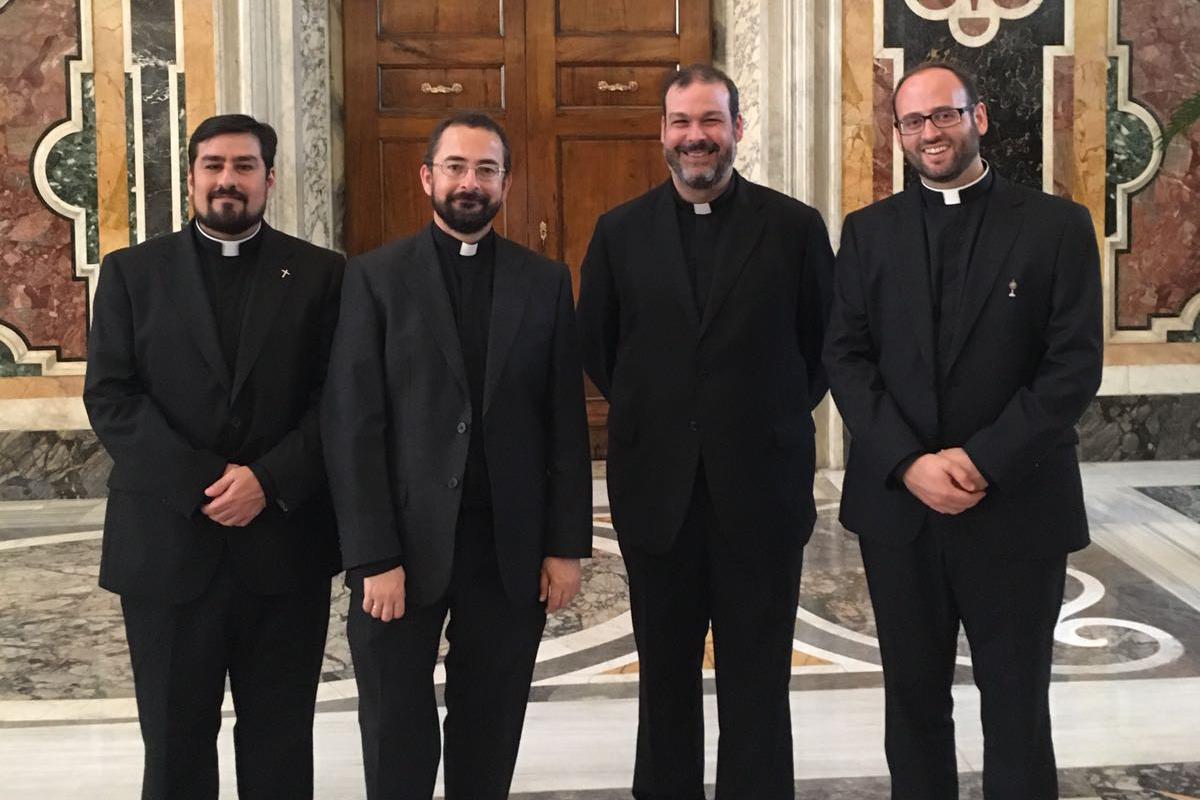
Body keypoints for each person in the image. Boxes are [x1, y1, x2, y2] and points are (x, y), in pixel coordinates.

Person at [823, 61, 1103, 799]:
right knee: (913, 706)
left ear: (978, 119)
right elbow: (846, 360)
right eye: (913, 121)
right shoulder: (868, 232)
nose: (929, 133)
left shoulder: (1055, 227)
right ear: (899, 135)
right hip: (901, 511)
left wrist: (980, 460)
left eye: (944, 115)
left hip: (1017, 508)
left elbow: (1072, 368)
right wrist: (911, 462)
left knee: (1017, 709)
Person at [576, 64, 834, 799]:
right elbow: (598, 345)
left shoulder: (793, 227)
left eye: (711, 121)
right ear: (661, 132)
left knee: (758, 676)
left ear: (737, 129)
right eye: (682, 123)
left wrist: (764, 415)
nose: (697, 137)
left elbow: (823, 344)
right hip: (658, 492)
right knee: (663, 677)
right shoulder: (620, 232)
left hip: (762, 489)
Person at [322, 111, 593, 800]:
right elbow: (353, 425)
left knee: (492, 717)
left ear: (505, 183)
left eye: (486, 169)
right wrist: (372, 556)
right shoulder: (376, 279)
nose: (470, 182)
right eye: (456, 167)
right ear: (427, 177)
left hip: (506, 547)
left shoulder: (543, 280)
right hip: (403, 549)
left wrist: (565, 546)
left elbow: (564, 420)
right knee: (395, 723)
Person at [83, 114, 344, 799]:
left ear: (270, 178)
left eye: (245, 166)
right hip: (167, 549)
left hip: (284, 547)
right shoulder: (133, 274)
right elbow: (112, 397)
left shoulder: (321, 275)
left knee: (281, 742)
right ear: (192, 175)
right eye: (213, 165)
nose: (228, 180)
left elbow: (339, 400)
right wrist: (206, 482)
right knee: (172, 745)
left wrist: (267, 479)